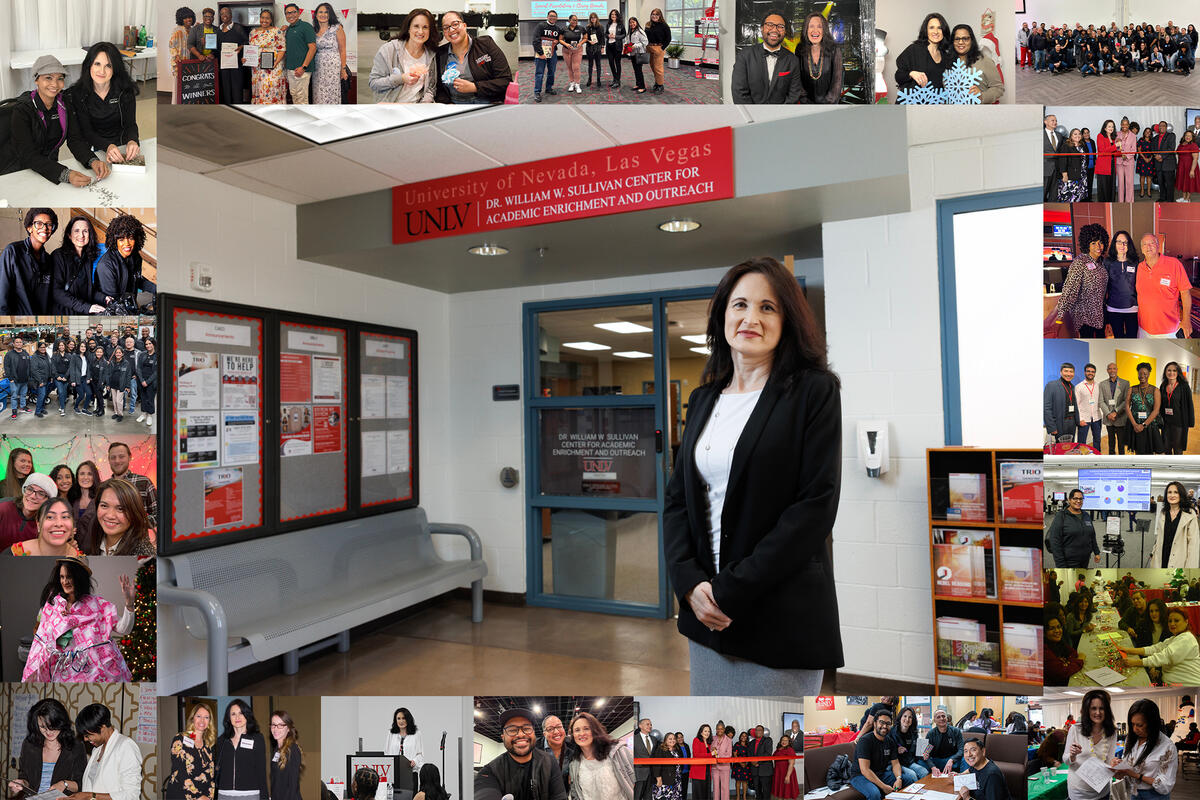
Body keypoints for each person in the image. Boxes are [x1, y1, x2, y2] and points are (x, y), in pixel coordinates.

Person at [663, 257, 841, 694]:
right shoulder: (704, 399)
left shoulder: (813, 391)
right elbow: (677, 500)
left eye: (768, 307)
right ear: (722, 315)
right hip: (706, 615)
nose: (751, 318)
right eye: (740, 304)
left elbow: (814, 507)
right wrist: (689, 584)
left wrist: (729, 591)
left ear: (787, 321)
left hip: (777, 615)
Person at [22, 555, 134, 681]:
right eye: (62, 577)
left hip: (92, 675)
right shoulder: (53, 605)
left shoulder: (97, 605)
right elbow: (41, 638)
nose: (65, 581)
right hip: (60, 675)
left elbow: (125, 629)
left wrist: (129, 604)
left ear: (79, 577)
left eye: (69, 577)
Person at [0, 56, 107, 185]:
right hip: (17, 170)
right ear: (36, 80)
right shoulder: (22, 110)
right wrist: (65, 174)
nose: (55, 84)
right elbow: (27, 154)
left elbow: (75, 140)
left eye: (60, 78)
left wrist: (92, 160)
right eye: (48, 78)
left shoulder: (65, 104)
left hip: (49, 167)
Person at [68, 42, 140, 171]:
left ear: (115, 68)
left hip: (121, 147)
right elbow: (86, 132)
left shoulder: (126, 91)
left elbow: (130, 124)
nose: (102, 71)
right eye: (97, 64)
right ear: (89, 65)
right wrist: (108, 146)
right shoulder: (77, 94)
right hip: (94, 148)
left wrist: (132, 141)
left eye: (108, 66)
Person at [475, 707, 567, 800]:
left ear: (534, 733)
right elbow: (484, 792)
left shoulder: (549, 762)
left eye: (526, 728)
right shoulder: (490, 772)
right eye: (512, 730)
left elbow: (560, 796)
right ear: (503, 737)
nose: (520, 734)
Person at [7, 698, 85, 798]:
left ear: (61, 722)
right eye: (43, 727)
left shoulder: (76, 747)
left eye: (52, 726)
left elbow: (81, 784)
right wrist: (21, 783)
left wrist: (64, 784)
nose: (48, 732)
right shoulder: (29, 745)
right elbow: (25, 777)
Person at [434, 11, 514, 103]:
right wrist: (448, 104)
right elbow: (439, 89)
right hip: (454, 105)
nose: (451, 30)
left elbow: (505, 80)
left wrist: (475, 87)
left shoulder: (485, 45)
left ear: (464, 26)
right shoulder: (440, 54)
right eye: (446, 27)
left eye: (455, 24)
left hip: (487, 103)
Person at [1111, 699, 1177, 800]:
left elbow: (1165, 785)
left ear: (1152, 724)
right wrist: (1119, 765)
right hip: (1134, 792)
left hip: (1155, 796)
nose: (1134, 729)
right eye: (1132, 724)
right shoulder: (1131, 739)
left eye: (1140, 725)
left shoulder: (1167, 747)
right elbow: (1128, 763)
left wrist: (1136, 775)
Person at [730, 13, 801, 104]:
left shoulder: (792, 60)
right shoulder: (745, 55)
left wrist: (780, 112)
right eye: (770, 25)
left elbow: (794, 94)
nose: (774, 30)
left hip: (781, 112)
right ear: (762, 28)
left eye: (780, 26)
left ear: (785, 31)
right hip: (751, 112)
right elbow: (739, 92)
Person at [76, 704, 143, 800]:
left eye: (88, 735)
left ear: (102, 728)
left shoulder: (126, 746)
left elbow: (131, 795)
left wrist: (91, 796)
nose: (85, 739)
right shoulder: (97, 749)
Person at [1053, 223, 1109, 337]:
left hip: (1099, 314)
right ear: (1087, 244)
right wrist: (1060, 315)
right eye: (1093, 243)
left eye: (1101, 242)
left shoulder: (1102, 262)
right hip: (1084, 316)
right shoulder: (1080, 262)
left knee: (1101, 344)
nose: (1098, 246)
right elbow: (1070, 289)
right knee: (1088, 345)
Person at [371, 10, 436, 102]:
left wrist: (424, 104)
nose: (420, 31)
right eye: (416, 26)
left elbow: (431, 88)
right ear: (408, 28)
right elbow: (374, 83)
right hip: (390, 106)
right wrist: (401, 78)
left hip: (417, 108)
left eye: (425, 27)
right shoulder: (389, 50)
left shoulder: (431, 55)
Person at [80, 477, 155, 557]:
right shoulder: (94, 536)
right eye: (104, 506)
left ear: (134, 512)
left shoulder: (144, 554)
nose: (110, 515)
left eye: (120, 509)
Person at [1122, 607, 1200, 684]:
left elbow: (1164, 656)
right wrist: (1128, 650)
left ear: (1186, 621)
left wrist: (1135, 662)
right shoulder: (1174, 638)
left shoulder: (1187, 639)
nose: (1172, 624)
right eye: (1170, 621)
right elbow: (1155, 648)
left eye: (1176, 621)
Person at [94, 214, 155, 312]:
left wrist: (156, 289)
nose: (127, 244)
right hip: (111, 311)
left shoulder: (135, 257)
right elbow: (114, 302)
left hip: (129, 305)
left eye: (130, 238)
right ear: (115, 241)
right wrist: (138, 310)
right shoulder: (106, 265)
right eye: (121, 239)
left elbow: (137, 279)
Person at [1, 210, 56, 316]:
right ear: (29, 227)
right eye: (39, 223)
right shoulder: (12, 251)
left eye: (49, 224)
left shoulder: (49, 260)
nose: (44, 228)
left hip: (41, 320)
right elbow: (2, 296)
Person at [567, 712, 634, 799]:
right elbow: (575, 793)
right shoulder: (574, 764)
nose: (582, 733)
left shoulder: (618, 752)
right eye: (577, 730)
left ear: (595, 730)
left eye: (586, 728)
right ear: (573, 735)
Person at [1065, 691, 1118, 800]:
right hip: (1078, 791)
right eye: (1093, 708)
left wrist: (1115, 764)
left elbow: (1110, 761)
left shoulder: (1112, 732)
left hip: (1102, 790)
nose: (1098, 712)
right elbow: (1065, 760)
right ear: (1087, 710)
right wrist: (1072, 755)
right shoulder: (1075, 729)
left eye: (1102, 708)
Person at [1137, 232, 1191, 337]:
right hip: (1143, 329)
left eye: (1152, 243)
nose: (1148, 247)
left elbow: (1185, 293)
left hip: (1169, 330)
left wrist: (1186, 320)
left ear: (1158, 246)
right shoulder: (1139, 268)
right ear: (1142, 249)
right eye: (1145, 244)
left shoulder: (1174, 264)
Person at [50, 216, 105, 316]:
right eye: (76, 231)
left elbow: (88, 290)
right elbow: (56, 292)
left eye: (85, 231)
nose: (81, 235)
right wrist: (87, 307)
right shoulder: (58, 256)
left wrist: (104, 298)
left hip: (82, 312)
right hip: (64, 313)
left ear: (90, 235)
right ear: (69, 235)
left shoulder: (87, 258)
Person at [214, 700, 268, 799]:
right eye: (233, 714)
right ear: (229, 718)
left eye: (241, 713)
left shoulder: (257, 738)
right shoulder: (222, 740)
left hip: (250, 794)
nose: (237, 717)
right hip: (224, 794)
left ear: (247, 715)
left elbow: (261, 771)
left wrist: (264, 797)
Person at [850, 710, 907, 800]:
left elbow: (895, 763)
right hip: (860, 776)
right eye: (881, 722)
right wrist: (883, 787)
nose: (885, 726)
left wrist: (898, 778)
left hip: (880, 774)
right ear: (875, 723)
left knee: (908, 779)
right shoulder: (865, 741)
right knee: (875, 793)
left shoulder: (890, 741)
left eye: (888, 723)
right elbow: (865, 770)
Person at [164, 702, 216, 800]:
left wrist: (209, 797)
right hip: (180, 795)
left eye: (206, 717)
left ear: (209, 722)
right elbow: (179, 772)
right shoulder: (180, 739)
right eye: (199, 716)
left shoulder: (208, 746)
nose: (202, 720)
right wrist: (199, 796)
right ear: (192, 718)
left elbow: (211, 775)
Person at [7, 496, 83, 557]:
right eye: (50, 517)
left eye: (65, 517)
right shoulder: (14, 554)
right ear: (38, 525)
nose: (59, 524)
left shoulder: (80, 559)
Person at [895, 13, 951, 93]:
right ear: (926, 30)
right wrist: (911, 73)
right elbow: (898, 76)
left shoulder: (945, 55)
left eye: (939, 28)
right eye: (931, 27)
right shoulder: (914, 49)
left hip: (934, 100)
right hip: (913, 99)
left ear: (944, 31)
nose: (936, 31)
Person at [950, 25, 1003, 103]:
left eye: (965, 39)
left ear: (971, 41)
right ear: (953, 42)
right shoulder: (948, 61)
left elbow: (999, 88)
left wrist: (982, 96)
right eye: (957, 39)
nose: (960, 42)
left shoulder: (984, 61)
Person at [0, 473, 55, 549]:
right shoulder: (3, 507)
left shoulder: (46, 524)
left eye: (41, 493)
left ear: (48, 501)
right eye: (30, 489)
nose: (32, 496)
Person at [311, 3, 348, 104]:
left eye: (326, 12)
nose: (323, 14)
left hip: (333, 67)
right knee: (318, 94)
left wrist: (343, 69)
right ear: (316, 15)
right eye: (320, 12)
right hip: (318, 67)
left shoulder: (337, 28)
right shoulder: (313, 30)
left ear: (330, 14)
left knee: (331, 93)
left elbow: (342, 50)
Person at [1104, 231, 1138, 340]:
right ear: (1114, 244)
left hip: (1132, 308)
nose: (1122, 245)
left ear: (1129, 245)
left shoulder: (1135, 262)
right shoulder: (1107, 262)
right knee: (1118, 339)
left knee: (1132, 339)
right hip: (1114, 308)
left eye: (1125, 242)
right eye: (1119, 242)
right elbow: (1104, 286)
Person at [250, 8, 287, 104]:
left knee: (273, 89)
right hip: (257, 68)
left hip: (274, 66)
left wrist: (275, 63)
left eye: (267, 18)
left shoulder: (277, 31)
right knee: (260, 90)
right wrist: (246, 59)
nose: (264, 20)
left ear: (271, 20)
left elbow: (282, 49)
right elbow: (250, 50)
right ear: (259, 18)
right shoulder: (253, 32)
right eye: (262, 17)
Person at [1159, 364, 1194, 455]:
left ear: (1178, 372)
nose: (1171, 373)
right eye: (1169, 370)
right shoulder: (1163, 386)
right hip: (1166, 422)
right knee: (1166, 447)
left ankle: (1177, 464)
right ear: (1165, 372)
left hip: (1179, 423)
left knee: (1178, 448)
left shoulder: (1184, 386)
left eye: (1174, 370)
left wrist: (1191, 421)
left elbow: (1189, 405)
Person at [217, 6, 248, 105]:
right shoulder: (218, 30)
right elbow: (216, 48)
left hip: (236, 64)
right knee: (225, 89)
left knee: (237, 89)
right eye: (222, 13)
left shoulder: (238, 28)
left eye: (226, 13)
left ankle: (238, 109)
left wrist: (241, 47)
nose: (224, 15)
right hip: (223, 65)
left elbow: (247, 41)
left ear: (231, 15)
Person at [269, 711, 303, 800]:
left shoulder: (293, 749)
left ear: (288, 728)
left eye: (280, 725)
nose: (276, 729)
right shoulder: (276, 750)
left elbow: (293, 785)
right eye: (273, 725)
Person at [384, 707, 424, 784]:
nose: (401, 721)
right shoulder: (391, 733)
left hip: (410, 773)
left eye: (403, 718)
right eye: (398, 718)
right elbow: (386, 752)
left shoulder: (416, 734)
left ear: (408, 719)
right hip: (394, 774)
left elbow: (420, 754)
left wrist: (414, 761)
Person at [1099, 362, 1131, 455]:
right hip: (1108, 418)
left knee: (1121, 443)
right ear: (1107, 370)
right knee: (1111, 442)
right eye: (1110, 369)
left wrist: (1116, 412)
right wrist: (1108, 414)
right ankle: (1111, 458)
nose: (1112, 370)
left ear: (1117, 370)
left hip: (1120, 417)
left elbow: (1126, 400)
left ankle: (1121, 459)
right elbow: (1101, 401)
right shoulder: (1102, 384)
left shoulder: (1125, 383)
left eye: (1114, 368)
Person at [533, 9, 565, 101]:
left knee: (551, 72)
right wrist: (541, 53)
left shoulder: (557, 29)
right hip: (541, 53)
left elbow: (559, 39)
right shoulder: (541, 26)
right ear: (547, 17)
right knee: (539, 73)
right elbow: (535, 40)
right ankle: (537, 92)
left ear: (557, 18)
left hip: (552, 53)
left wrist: (557, 41)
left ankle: (549, 88)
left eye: (554, 16)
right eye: (551, 16)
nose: (552, 18)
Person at [1044, 364, 1080, 444]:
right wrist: (1051, 427)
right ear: (1061, 372)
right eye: (1066, 371)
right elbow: (1046, 408)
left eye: (1071, 372)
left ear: (1074, 373)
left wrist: (1077, 421)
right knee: (1060, 447)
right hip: (1059, 423)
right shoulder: (1051, 385)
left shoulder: (1073, 387)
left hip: (1072, 423)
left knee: (1070, 445)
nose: (1068, 374)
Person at [891, 707, 929, 781]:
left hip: (909, 762)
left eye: (910, 717)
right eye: (905, 716)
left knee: (924, 772)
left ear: (913, 720)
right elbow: (887, 751)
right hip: (897, 763)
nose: (907, 719)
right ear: (900, 717)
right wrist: (896, 750)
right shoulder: (892, 732)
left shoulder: (913, 733)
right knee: (912, 775)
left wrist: (924, 753)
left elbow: (916, 752)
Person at [1045, 615, 1085, 684]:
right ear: (1044, 632)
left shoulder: (1059, 642)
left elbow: (1073, 652)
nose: (1057, 631)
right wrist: (1079, 660)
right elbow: (1063, 672)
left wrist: (1067, 663)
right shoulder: (1045, 650)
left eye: (1058, 627)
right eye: (1051, 628)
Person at [542, 715, 576, 796]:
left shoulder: (573, 745)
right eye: (550, 729)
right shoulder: (535, 748)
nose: (556, 732)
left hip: (564, 793)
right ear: (544, 734)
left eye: (559, 727)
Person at [922, 709, 964, 773]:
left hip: (952, 760)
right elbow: (927, 753)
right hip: (937, 761)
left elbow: (961, 749)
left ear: (947, 718)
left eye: (943, 716)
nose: (941, 718)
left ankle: (963, 777)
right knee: (921, 761)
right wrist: (932, 767)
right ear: (934, 720)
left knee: (965, 759)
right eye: (938, 717)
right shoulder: (931, 734)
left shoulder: (956, 731)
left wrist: (952, 760)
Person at [170, 7, 196, 104]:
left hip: (190, 63)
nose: (188, 20)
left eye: (190, 17)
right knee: (178, 87)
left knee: (189, 87)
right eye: (185, 18)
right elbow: (171, 45)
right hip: (180, 63)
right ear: (181, 19)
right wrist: (176, 56)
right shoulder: (177, 30)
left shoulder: (193, 30)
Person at [1055, 127, 1089, 202]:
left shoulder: (1083, 145)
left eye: (1079, 134)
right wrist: (1064, 174)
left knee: (1079, 196)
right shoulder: (1066, 146)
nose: (1078, 136)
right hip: (1070, 175)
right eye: (1075, 134)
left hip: (1082, 175)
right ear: (1071, 136)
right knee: (1069, 197)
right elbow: (1062, 161)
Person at [102, 347, 132, 423]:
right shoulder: (112, 362)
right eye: (117, 353)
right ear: (115, 354)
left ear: (122, 354)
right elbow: (108, 374)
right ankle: (116, 413)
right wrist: (108, 384)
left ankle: (120, 414)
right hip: (113, 384)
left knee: (119, 401)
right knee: (114, 400)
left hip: (121, 385)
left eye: (119, 353)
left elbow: (128, 375)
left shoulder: (126, 363)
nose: (118, 354)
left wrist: (128, 386)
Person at [645, 9, 671, 94]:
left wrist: (662, 48)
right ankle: (657, 82)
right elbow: (645, 36)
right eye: (653, 14)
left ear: (660, 16)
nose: (654, 16)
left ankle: (660, 85)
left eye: (656, 14)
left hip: (658, 48)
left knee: (658, 68)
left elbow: (668, 38)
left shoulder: (664, 25)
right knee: (653, 66)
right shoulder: (648, 24)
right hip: (649, 47)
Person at [1076, 364, 1101, 447]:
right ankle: (1081, 455)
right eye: (1088, 371)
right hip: (1084, 419)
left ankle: (1097, 454)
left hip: (1097, 418)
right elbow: (1076, 405)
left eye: (1093, 372)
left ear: (1095, 373)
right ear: (1085, 372)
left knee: (1097, 440)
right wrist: (1080, 419)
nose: (1090, 373)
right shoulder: (1079, 387)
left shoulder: (1098, 386)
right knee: (1081, 442)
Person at [650, 733, 682, 800]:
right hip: (665, 779)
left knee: (675, 797)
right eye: (670, 739)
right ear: (665, 740)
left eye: (674, 739)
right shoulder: (661, 749)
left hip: (676, 779)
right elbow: (657, 765)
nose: (672, 740)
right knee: (664, 797)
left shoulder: (677, 749)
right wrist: (658, 778)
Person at [559, 15, 586, 94]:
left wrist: (580, 43)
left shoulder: (581, 28)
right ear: (569, 20)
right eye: (573, 20)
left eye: (576, 20)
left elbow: (585, 38)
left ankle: (577, 84)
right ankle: (572, 83)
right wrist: (566, 44)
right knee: (570, 67)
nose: (575, 22)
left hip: (577, 50)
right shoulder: (564, 29)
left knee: (576, 68)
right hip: (566, 50)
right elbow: (560, 39)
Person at [135, 338, 157, 428]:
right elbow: (138, 368)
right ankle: (143, 414)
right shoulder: (142, 354)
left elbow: (156, 372)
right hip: (142, 380)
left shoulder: (157, 355)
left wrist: (147, 382)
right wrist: (142, 380)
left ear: (154, 344)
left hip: (151, 381)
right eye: (146, 344)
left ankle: (150, 415)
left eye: (150, 343)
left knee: (150, 398)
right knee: (143, 398)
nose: (148, 346)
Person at [634, 718, 658, 800]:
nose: (650, 726)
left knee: (649, 797)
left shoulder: (654, 740)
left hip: (651, 774)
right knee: (637, 796)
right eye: (647, 724)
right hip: (638, 773)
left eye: (651, 724)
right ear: (640, 726)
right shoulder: (634, 739)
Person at [1095, 120, 1118, 202]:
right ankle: (1103, 206)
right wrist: (1115, 146)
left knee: (1112, 187)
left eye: (1112, 127)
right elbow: (1102, 150)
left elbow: (1114, 152)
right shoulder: (1100, 136)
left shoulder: (1113, 138)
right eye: (1109, 126)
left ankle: (1111, 204)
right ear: (1105, 128)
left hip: (1112, 165)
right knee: (1104, 188)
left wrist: (1121, 152)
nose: (1111, 128)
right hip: (1103, 166)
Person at [1116, 117, 1138, 202]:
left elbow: (1134, 150)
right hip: (1119, 162)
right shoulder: (1117, 134)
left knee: (1129, 183)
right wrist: (1117, 146)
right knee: (1120, 183)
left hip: (1129, 162)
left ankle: (1129, 202)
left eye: (1126, 124)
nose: (1124, 126)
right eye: (1123, 124)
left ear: (1129, 125)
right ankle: (1121, 202)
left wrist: (1127, 156)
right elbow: (1115, 147)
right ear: (1121, 125)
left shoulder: (1133, 136)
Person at [1155, 122, 1177, 203]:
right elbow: (1153, 149)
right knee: (1161, 183)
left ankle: (1170, 200)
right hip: (1158, 164)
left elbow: (1171, 148)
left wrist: (1161, 156)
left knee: (1169, 183)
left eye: (1163, 126)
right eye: (1160, 126)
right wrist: (1156, 156)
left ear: (1166, 127)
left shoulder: (1171, 136)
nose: (1161, 127)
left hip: (1168, 163)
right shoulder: (1155, 138)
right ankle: (1162, 197)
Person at [627, 17, 650, 94]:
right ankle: (638, 84)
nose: (632, 24)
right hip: (633, 53)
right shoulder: (630, 31)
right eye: (630, 22)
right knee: (636, 70)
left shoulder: (640, 31)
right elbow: (629, 41)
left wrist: (635, 46)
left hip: (639, 53)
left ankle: (642, 87)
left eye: (633, 22)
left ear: (636, 22)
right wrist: (627, 45)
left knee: (639, 70)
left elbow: (645, 42)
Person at [605, 10, 627, 88]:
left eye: (615, 14)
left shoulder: (621, 25)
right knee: (611, 63)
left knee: (617, 63)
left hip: (617, 46)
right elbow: (605, 34)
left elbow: (624, 34)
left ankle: (618, 80)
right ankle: (615, 79)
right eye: (612, 14)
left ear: (617, 16)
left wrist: (615, 37)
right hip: (609, 46)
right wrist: (608, 36)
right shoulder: (608, 24)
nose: (613, 15)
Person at [1176, 130, 1200, 201]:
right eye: (1186, 135)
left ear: (1192, 137)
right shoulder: (1181, 144)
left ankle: (1187, 199)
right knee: (1183, 182)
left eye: (1190, 136)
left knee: (1189, 182)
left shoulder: (1194, 145)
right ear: (1184, 136)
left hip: (1190, 166)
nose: (1188, 137)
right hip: (1181, 166)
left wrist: (1192, 170)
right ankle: (1183, 198)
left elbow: (1195, 159)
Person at [750, 726, 772, 800]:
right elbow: (749, 754)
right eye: (756, 730)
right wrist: (752, 762)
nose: (758, 731)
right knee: (757, 791)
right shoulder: (751, 743)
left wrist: (757, 761)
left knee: (766, 791)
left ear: (763, 732)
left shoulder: (768, 740)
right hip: (755, 770)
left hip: (765, 770)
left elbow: (768, 753)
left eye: (760, 730)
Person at [585, 12, 606, 88]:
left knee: (598, 64)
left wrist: (603, 47)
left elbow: (603, 38)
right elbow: (585, 38)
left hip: (598, 47)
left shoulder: (601, 27)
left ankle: (598, 79)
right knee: (590, 64)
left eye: (594, 17)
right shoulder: (587, 27)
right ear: (590, 19)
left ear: (597, 18)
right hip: (590, 47)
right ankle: (589, 79)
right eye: (591, 18)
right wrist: (589, 41)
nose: (593, 19)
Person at [690, 725, 712, 800]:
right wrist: (711, 754)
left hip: (707, 770)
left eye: (708, 731)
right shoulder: (696, 740)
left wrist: (715, 755)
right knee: (698, 793)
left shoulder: (709, 742)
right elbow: (696, 755)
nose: (707, 733)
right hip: (698, 771)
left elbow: (709, 756)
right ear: (701, 732)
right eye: (705, 731)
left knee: (707, 792)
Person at [711, 722, 731, 800]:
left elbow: (729, 754)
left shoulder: (729, 740)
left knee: (725, 787)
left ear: (724, 729)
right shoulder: (712, 739)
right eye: (718, 729)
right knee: (715, 787)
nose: (720, 730)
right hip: (714, 767)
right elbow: (710, 751)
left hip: (725, 767)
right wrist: (712, 751)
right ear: (716, 729)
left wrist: (718, 756)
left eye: (721, 729)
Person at [1044, 115, 1061, 201]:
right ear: (1045, 122)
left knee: (1054, 194)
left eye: (1056, 121)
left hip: (1057, 169)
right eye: (1052, 120)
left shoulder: (1059, 135)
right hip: (1044, 168)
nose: (1055, 122)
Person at [731, 732, 752, 799]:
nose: (743, 737)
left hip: (746, 765)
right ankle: (738, 797)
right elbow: (735, 755)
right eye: (742, 736)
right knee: (738, 781)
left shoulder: (748, 745)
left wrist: (746, 763)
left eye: (745, 736)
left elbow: (750, 755)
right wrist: (740, 763)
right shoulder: (737, 744)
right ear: (740, 737)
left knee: (745, 781)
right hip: (738, 765)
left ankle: (744, 796)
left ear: (747, 738)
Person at [1137, 127, 1156, 197]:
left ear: (1151, 133)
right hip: (1142, 160)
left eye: (1149, 132)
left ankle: (1148, 191)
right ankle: (1142, 191)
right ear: (1144, 133)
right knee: (1142, 176)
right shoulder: (1141, 140)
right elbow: (1139, 150)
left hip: (1150, 160)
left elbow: (1154, 151)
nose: (1147, 133)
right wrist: (1145, 158)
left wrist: (1150, 158)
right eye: (1146, 131)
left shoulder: (1152, 141)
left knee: (1149, 177)